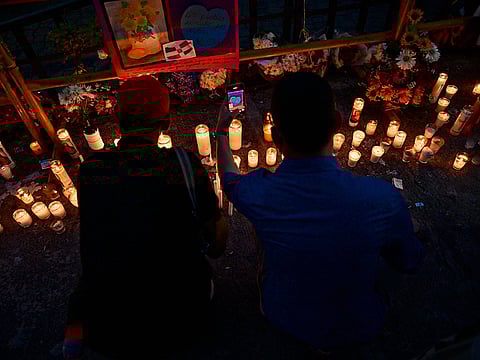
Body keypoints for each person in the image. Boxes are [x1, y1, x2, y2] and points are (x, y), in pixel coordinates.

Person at [216, 73, 426, 357]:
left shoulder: (260, 193)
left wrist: (221, 131)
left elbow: (228, 179)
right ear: (338, 123)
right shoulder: (381, 200)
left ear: (277, 138)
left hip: (285, 316)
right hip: (359, 325)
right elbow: (409, 261)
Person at [63, 76, 228, 360]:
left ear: (116, 120)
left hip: (110, 331)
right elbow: (216, 247)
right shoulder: (182, 164)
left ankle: (75, 335)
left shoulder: (92, 169)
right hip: (184, 322)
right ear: (166, 123)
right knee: (216, 219)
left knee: (88, 285)